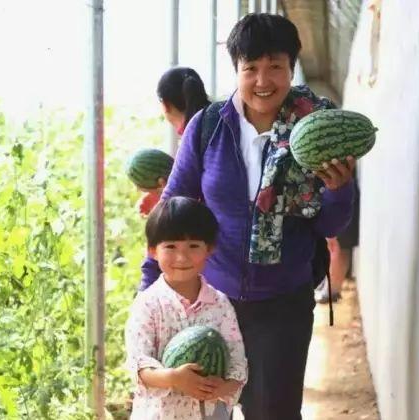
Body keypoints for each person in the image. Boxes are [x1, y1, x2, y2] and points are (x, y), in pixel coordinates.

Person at [140, 13, 356, 420]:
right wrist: (149, 290)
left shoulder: (315, 132)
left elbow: (329, 226)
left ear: (291, 68)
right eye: (250, 68)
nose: (263, 80)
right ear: (236, 69)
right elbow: (172, 211)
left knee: (272, 412)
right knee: (202, 410)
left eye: (275, 67)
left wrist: (339, 189)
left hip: (283, 306)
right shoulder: (208, 127)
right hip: (209, 301)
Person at [125, 197, 247, 419]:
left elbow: (237, 363)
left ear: (209, 249)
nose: (182, 257)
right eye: (170, 246)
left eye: (193, 246)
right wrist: (173, 377)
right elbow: (138, 365)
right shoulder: (147, 304)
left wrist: (223, 387)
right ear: (152, 250)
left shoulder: (220, 304)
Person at [136, 67, 212, 216]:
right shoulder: (219, 122)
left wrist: (166, 200)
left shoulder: (195, 137)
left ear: (165, 105)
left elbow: (201, 197)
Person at [317, 171, 360, 304]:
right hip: (331, 186)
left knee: (339, 245)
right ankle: (330, 284)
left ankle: (332, 290)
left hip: (339, 187)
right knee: (332, 244)